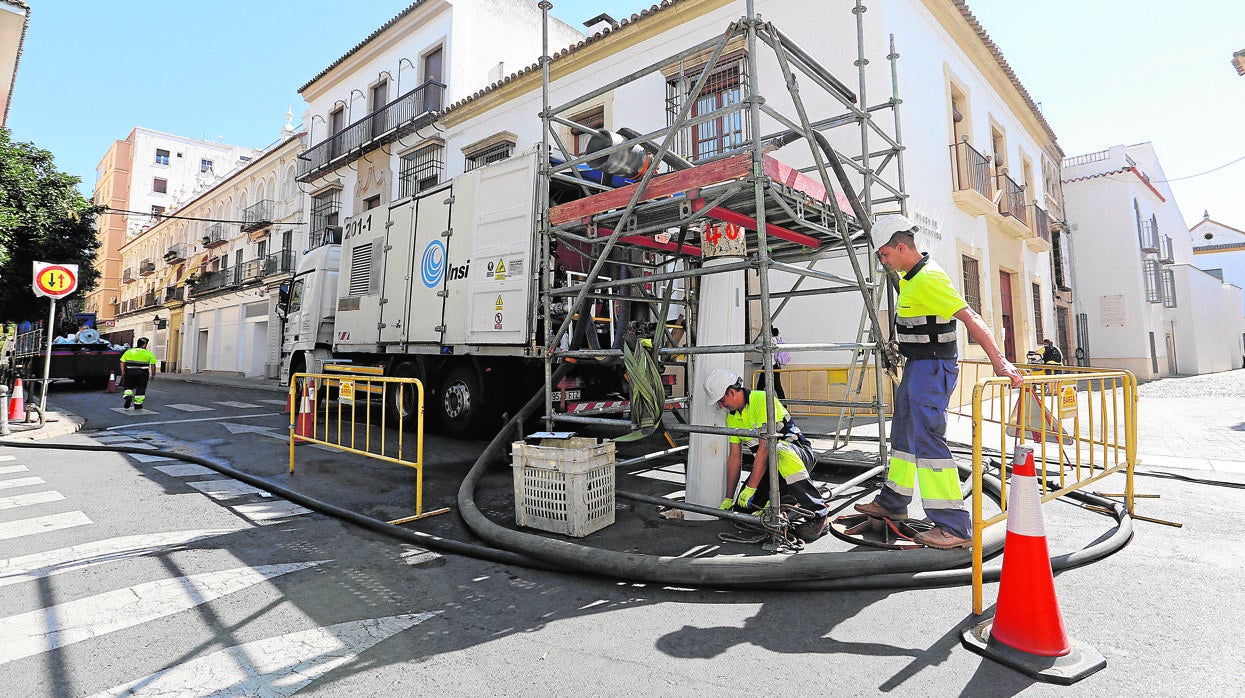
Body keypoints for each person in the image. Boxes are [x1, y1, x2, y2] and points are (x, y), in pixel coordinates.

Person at [854, 215, 1024, 549]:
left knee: (930, 442)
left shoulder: (928, 278)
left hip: (931, 369)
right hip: (918, 366)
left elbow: (970, 317)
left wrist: (999, 361)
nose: (883, 262)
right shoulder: (912, 277)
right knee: (903, 434)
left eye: (885, 255)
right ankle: (893, 502)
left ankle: (953, 527)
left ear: (901, 247)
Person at [704, 368, 831, 543]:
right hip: (770, 468)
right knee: (743, 514)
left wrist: (751, 488)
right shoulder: (732, 418)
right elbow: (734, 458)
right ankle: (791, 502)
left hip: (798, 456)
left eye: (721, 400)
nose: (720, 405)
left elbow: (765, 449)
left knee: (778, 450)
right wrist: (729, 497)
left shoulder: (762, 400)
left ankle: (819, 514)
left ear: (731, 391)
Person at [119, 337, 158, 409]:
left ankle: (128, 396)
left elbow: (122, 362)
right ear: (144, 345)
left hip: (130, 371)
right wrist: (153, 375)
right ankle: (138, 404)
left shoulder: (129, 351)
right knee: (141, 388)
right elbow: (153, 365)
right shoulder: (149, 353)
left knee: (128, 386)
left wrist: (123, 372)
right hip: (143, 373)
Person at [754, 326, 790, 399]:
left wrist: (760, 335)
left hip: (769, 365)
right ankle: (784, 404)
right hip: (775, 365)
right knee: (777, 385)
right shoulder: (775, 339)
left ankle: (761, 402)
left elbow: (756, 345)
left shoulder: (767, 340)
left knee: (760, 386)